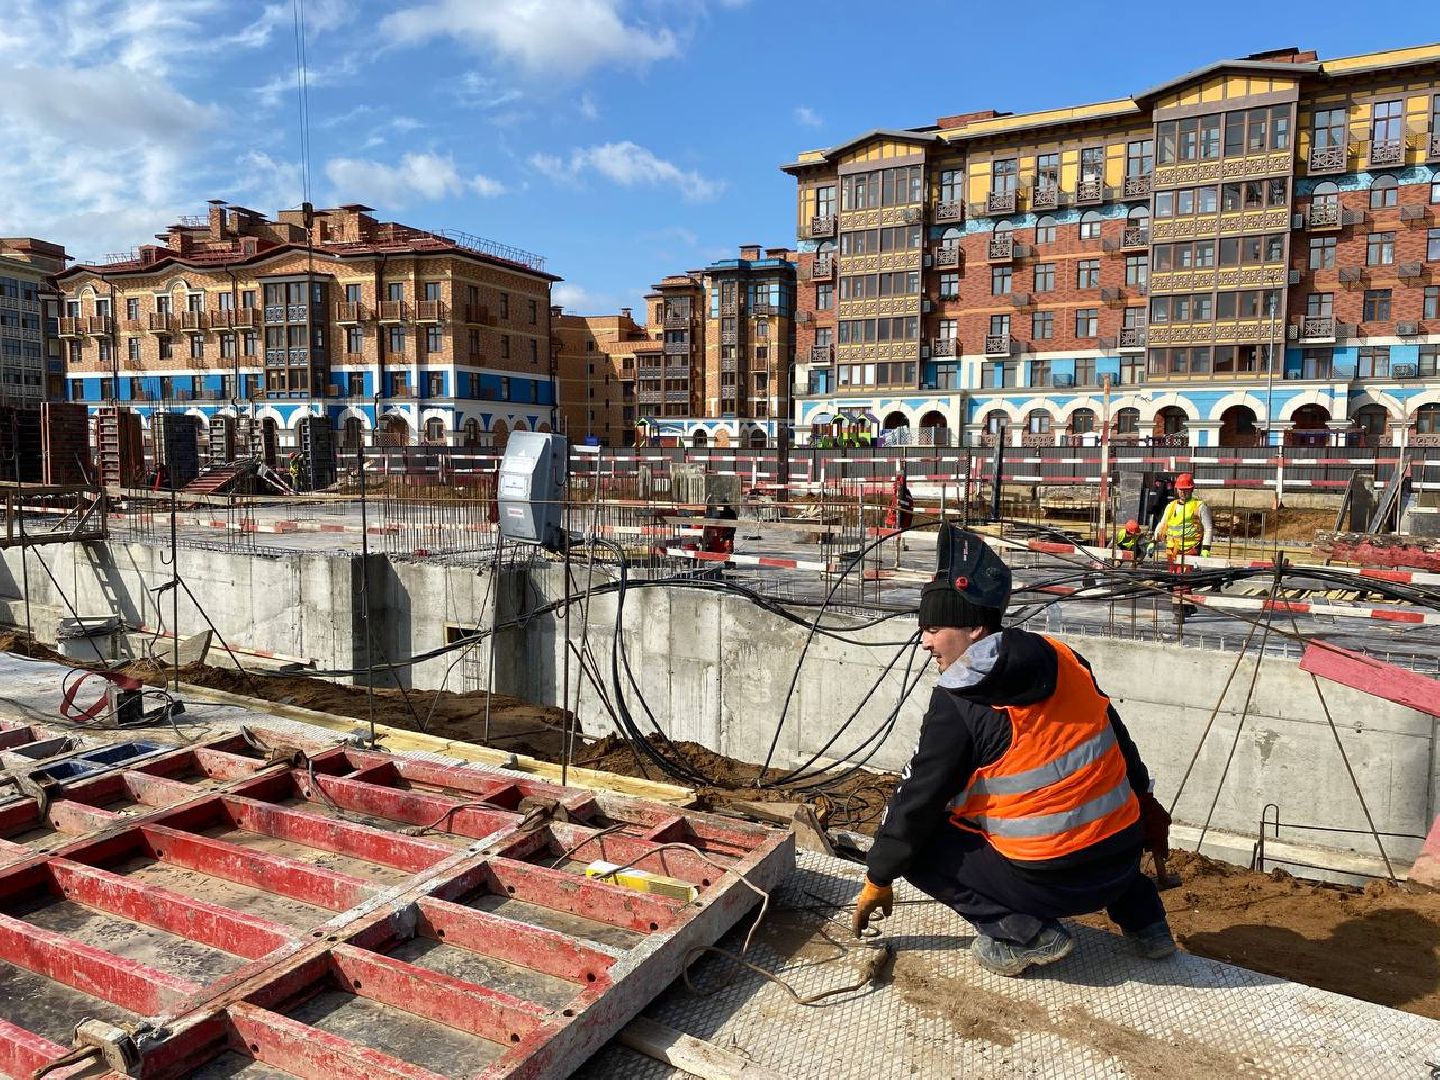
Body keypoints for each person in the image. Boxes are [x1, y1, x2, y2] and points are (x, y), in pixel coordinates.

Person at [851, 527, 1175, 977]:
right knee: (1083, 807)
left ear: (974, 630)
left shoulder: (958, 702)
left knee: (921, 846)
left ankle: (1025, 934)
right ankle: (1147, 924)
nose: (924, 642)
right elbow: (1116, 737)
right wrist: (1145, 801)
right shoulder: (1063, 656)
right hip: (1121, 860)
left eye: (933, 628)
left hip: (1055, 886)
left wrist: (879, 875)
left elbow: (918, 797)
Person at [1152, 473, 1212, 560]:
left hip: (1191, 549)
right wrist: (1153, 541)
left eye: (1186, 489)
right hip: (1172, 549)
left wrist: (1206, 548)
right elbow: (1162, 524)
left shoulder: (1200, 506)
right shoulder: (1171, 506)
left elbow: (1208, 528)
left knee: (1187, 573)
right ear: (1177, 489)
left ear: (1192, 489)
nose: (1183, 492)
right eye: (1181, 489)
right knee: (1173, 573)